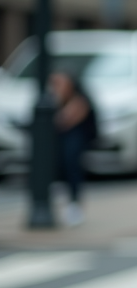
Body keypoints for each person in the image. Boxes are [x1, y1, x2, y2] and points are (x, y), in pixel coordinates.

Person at [50, 70, 97, 227]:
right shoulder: (52, 99)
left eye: (60, 82)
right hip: (60, 144)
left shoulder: (79, 100)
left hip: (75, 141)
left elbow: (64, 120)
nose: (56, 86)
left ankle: (75, 206)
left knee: (72, 166)